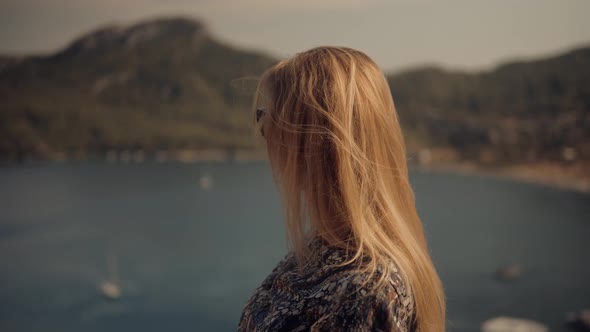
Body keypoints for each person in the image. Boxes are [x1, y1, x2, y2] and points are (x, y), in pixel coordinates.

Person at [238, 46, 446, 332]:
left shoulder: (362, 291)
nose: (265, 134)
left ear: (309, 144)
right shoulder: (323, 249)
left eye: (268, 119)